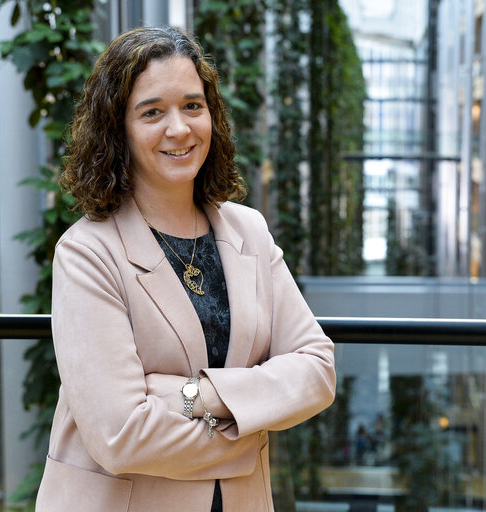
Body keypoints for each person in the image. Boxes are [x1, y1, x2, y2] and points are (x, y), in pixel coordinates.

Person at [35, 26, 336, 512]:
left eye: (192, 106)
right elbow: (120, 436)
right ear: (119, 129)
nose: (179, 128)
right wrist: (249, 423)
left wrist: (195, 395)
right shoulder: (87, 252)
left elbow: (317, 371)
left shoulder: (249, 231)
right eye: (152, 112)